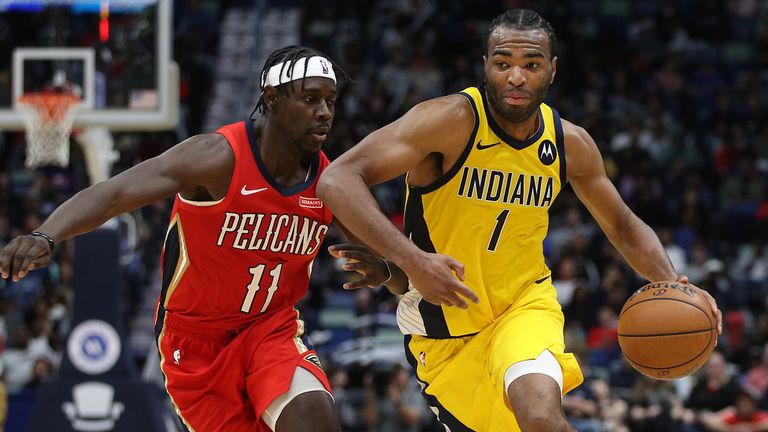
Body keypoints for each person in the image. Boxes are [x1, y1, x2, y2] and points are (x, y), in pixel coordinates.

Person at [317, 9, 722, 432]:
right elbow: (338, 179)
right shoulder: (447, 121)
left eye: (530, 64)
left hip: (524, 307)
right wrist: (413, 260)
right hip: (444, 333)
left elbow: (621, 223)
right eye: (503, 62)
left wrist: (672, 279)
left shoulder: (571, 143)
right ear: (485, 65)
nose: (516, 76)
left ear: (551, 69)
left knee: (543, 418)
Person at [0, 46, 387, 432]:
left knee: (315, 420)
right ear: (272, 99)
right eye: (310, 99)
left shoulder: (332, 181)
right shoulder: (217, 157)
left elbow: (398, 264)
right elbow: (115, 193)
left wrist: (384, 271)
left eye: (331, 101)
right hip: (195, 342)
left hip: (270, 329)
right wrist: (45, 234)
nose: (324, 112)